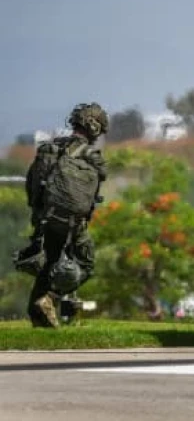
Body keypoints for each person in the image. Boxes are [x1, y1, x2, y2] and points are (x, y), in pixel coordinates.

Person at [21, 103, 109, 328]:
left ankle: (39, 317)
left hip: (44, 219)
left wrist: (39, 213)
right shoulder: (92, 156)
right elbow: (96, 187)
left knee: (49, 264)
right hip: (72, 224)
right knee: (86, 264)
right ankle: (51, 298)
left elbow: (32, 186)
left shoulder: (49, 149)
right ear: (94, 128)